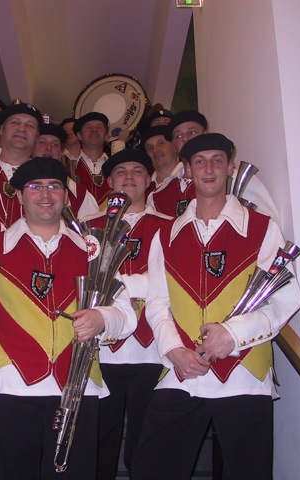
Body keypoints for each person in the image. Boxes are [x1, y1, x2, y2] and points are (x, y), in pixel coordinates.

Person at [132, 134, 300, 480]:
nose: (208, 169)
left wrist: (233, 335)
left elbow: (286, 296)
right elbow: (158, 303)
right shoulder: (165, 235)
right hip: (183, 373)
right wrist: (174, 350)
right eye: (199, 162)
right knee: (151, 469)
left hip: (245, 375)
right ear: (187, 170)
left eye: (217, 161)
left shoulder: (262, 228)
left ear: (230, 168)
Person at [0, 157, 137, 480]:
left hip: (78, 390)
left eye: (54, 186)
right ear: (20, 196)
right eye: (35, 187)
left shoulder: (93, 250)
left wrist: (102, 318)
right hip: (6, 390)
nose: (45, 194)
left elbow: (126, 314)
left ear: (65, 196)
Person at [82, 149, 172, 480]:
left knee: (146, 442)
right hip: (100, 349)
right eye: (121, 171)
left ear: (150, 180)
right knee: (98, 441)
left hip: (153, 349)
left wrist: (116, 288)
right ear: (109, 181)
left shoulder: (171, 227)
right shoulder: (86, 227)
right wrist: (137, 290)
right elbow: (82, 279)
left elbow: (173, 281)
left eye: (137, 171)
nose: (130, 176)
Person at [0, 102, 43, 229]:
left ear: (37, 137)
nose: (22, 129)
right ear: (1, 129)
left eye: (30, 125)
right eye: (15, 122)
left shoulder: (47, 178)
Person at [33, 122, 99, 219]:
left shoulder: (79, 193)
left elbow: (92, 226)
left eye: (55, 144)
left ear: (61, 152)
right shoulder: (17, 183)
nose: (48, 148)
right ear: (32, 147)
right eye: (42, 142)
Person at [143, 125, 194, 217]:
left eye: (161, 143)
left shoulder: (192, 178)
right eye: (149, 147)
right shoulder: (143, 187)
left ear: (174, 146)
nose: (155, 150)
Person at [73, 111, 111, 206]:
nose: (94, 129)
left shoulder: (116, 168)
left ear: (107, 136)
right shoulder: (67, 167)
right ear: (79, 136)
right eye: (88, 127)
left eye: (99, 127)